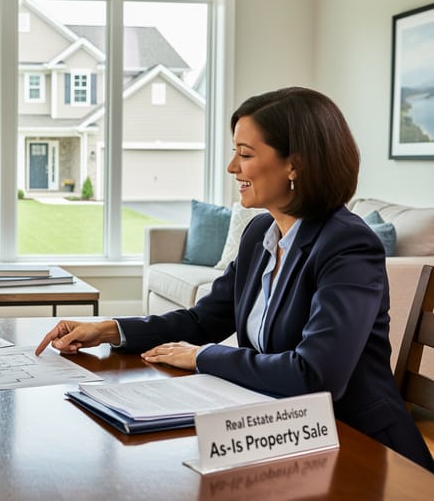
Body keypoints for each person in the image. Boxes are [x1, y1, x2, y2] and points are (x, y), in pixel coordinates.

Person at [35, 87, 434, 471]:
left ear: (295, 164)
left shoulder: (347, 244)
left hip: (360, 448)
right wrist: (110, 329)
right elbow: (203, 321)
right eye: (234, 153)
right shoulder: (260, 232)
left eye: (245, 154)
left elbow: (315, 375)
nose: (232, 168)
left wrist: (202, 356)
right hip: (282, 434)